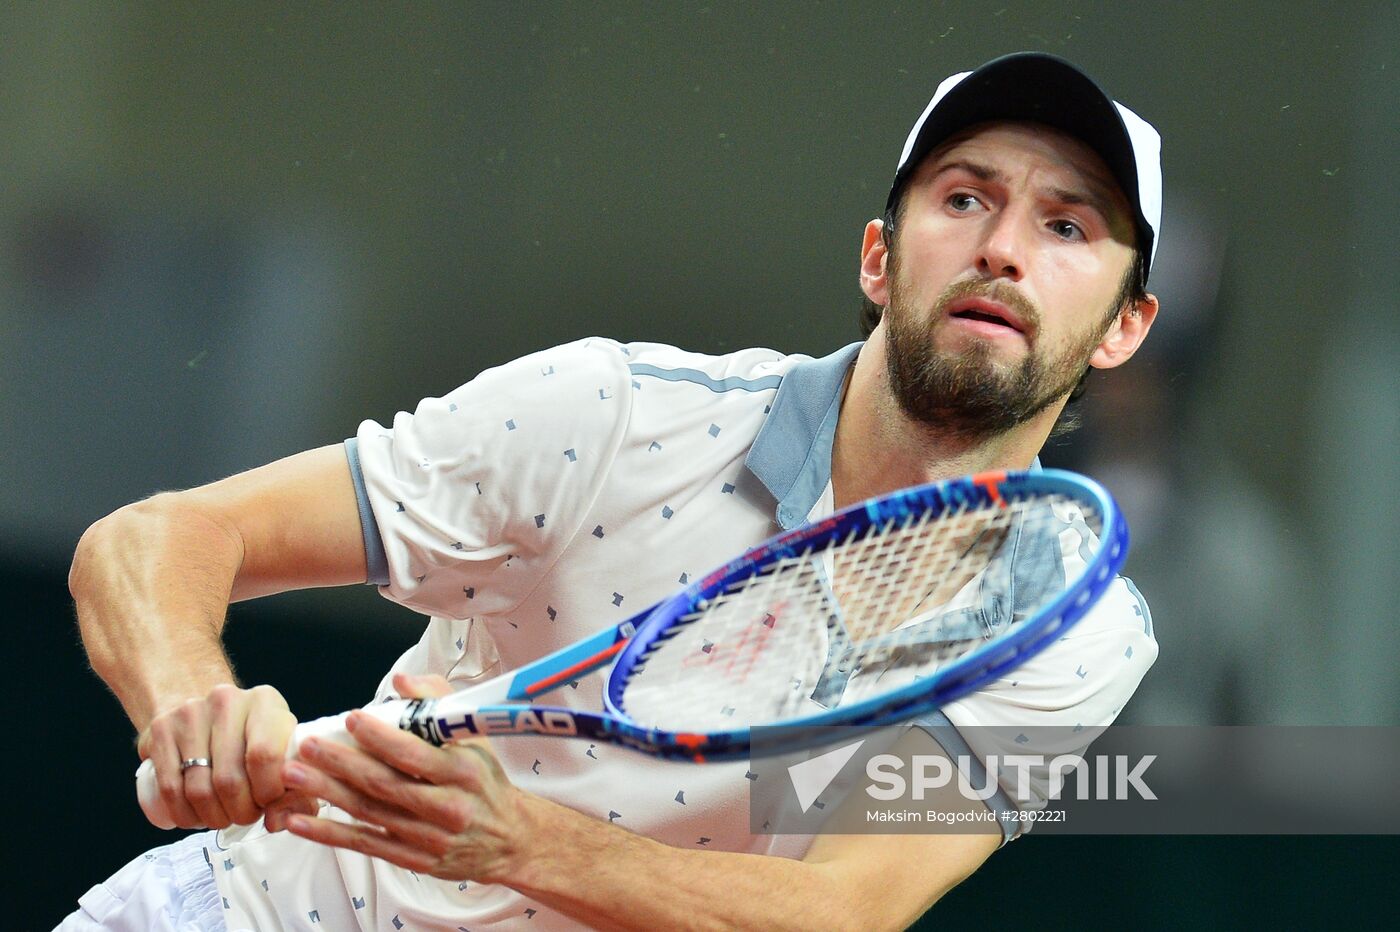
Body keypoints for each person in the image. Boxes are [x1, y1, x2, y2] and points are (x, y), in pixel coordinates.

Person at [62, 52, 1162, 930]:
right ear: (878, 258)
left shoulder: (1069, 628)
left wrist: (523, 841)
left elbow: (838, 908)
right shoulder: (614, 414)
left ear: (1123, 326)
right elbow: (156, 538)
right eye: (964, 198)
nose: (1003, 249)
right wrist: (186, 708)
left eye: (1065, 225)